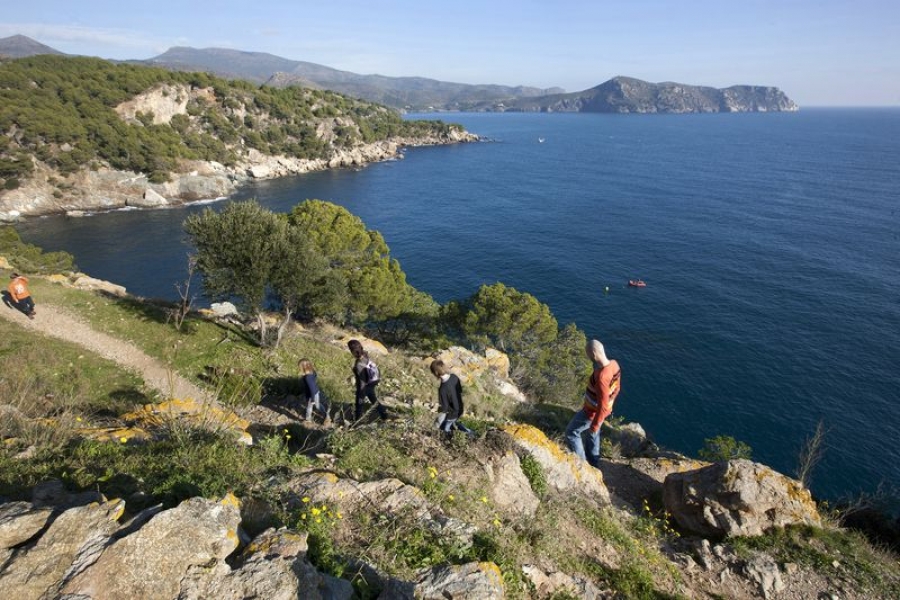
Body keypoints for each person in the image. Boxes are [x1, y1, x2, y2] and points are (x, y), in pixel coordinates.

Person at [565, 339, 621, 468]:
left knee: (571, 433)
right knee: (593, 436)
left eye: (588, 354)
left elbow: (602, 403)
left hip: (591, 412)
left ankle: (583, 465)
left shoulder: (602, 377)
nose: (588, 356)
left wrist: (595, 423)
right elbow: (617, 388)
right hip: (601, 411)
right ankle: (594, 463)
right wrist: (609, 405)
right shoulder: (614, 365)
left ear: (594, 355)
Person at [429, 359, 474, 437]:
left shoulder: (442, 389)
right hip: (460, 408)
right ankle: (468, 432)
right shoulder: (454, 377)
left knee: (445, 430)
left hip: (452, 414)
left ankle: (469, 433)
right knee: (452, 423)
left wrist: (436, 411)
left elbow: (445, 408)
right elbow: (460, 390)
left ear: (436, 373)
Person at [348, 339, 387, 421]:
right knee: (373, 400)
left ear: (352, 351)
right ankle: (384, 415)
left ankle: (357, 421)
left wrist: (360, 390)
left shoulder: (359, 364)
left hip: (364, 386)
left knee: (359, 404)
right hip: (372, 382)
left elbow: (362, 379)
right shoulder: (365, 354)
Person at [299, 358, 328, 423]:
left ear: (303, 367)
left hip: (312, 394)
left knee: (314, 406)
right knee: (313, 406)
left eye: (300, 367)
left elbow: (312, 388)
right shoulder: (312, 372)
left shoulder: (307, 377)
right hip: (315, 392)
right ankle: (308, 419)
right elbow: (314, 378)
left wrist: (312, 399)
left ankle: (324, 415)